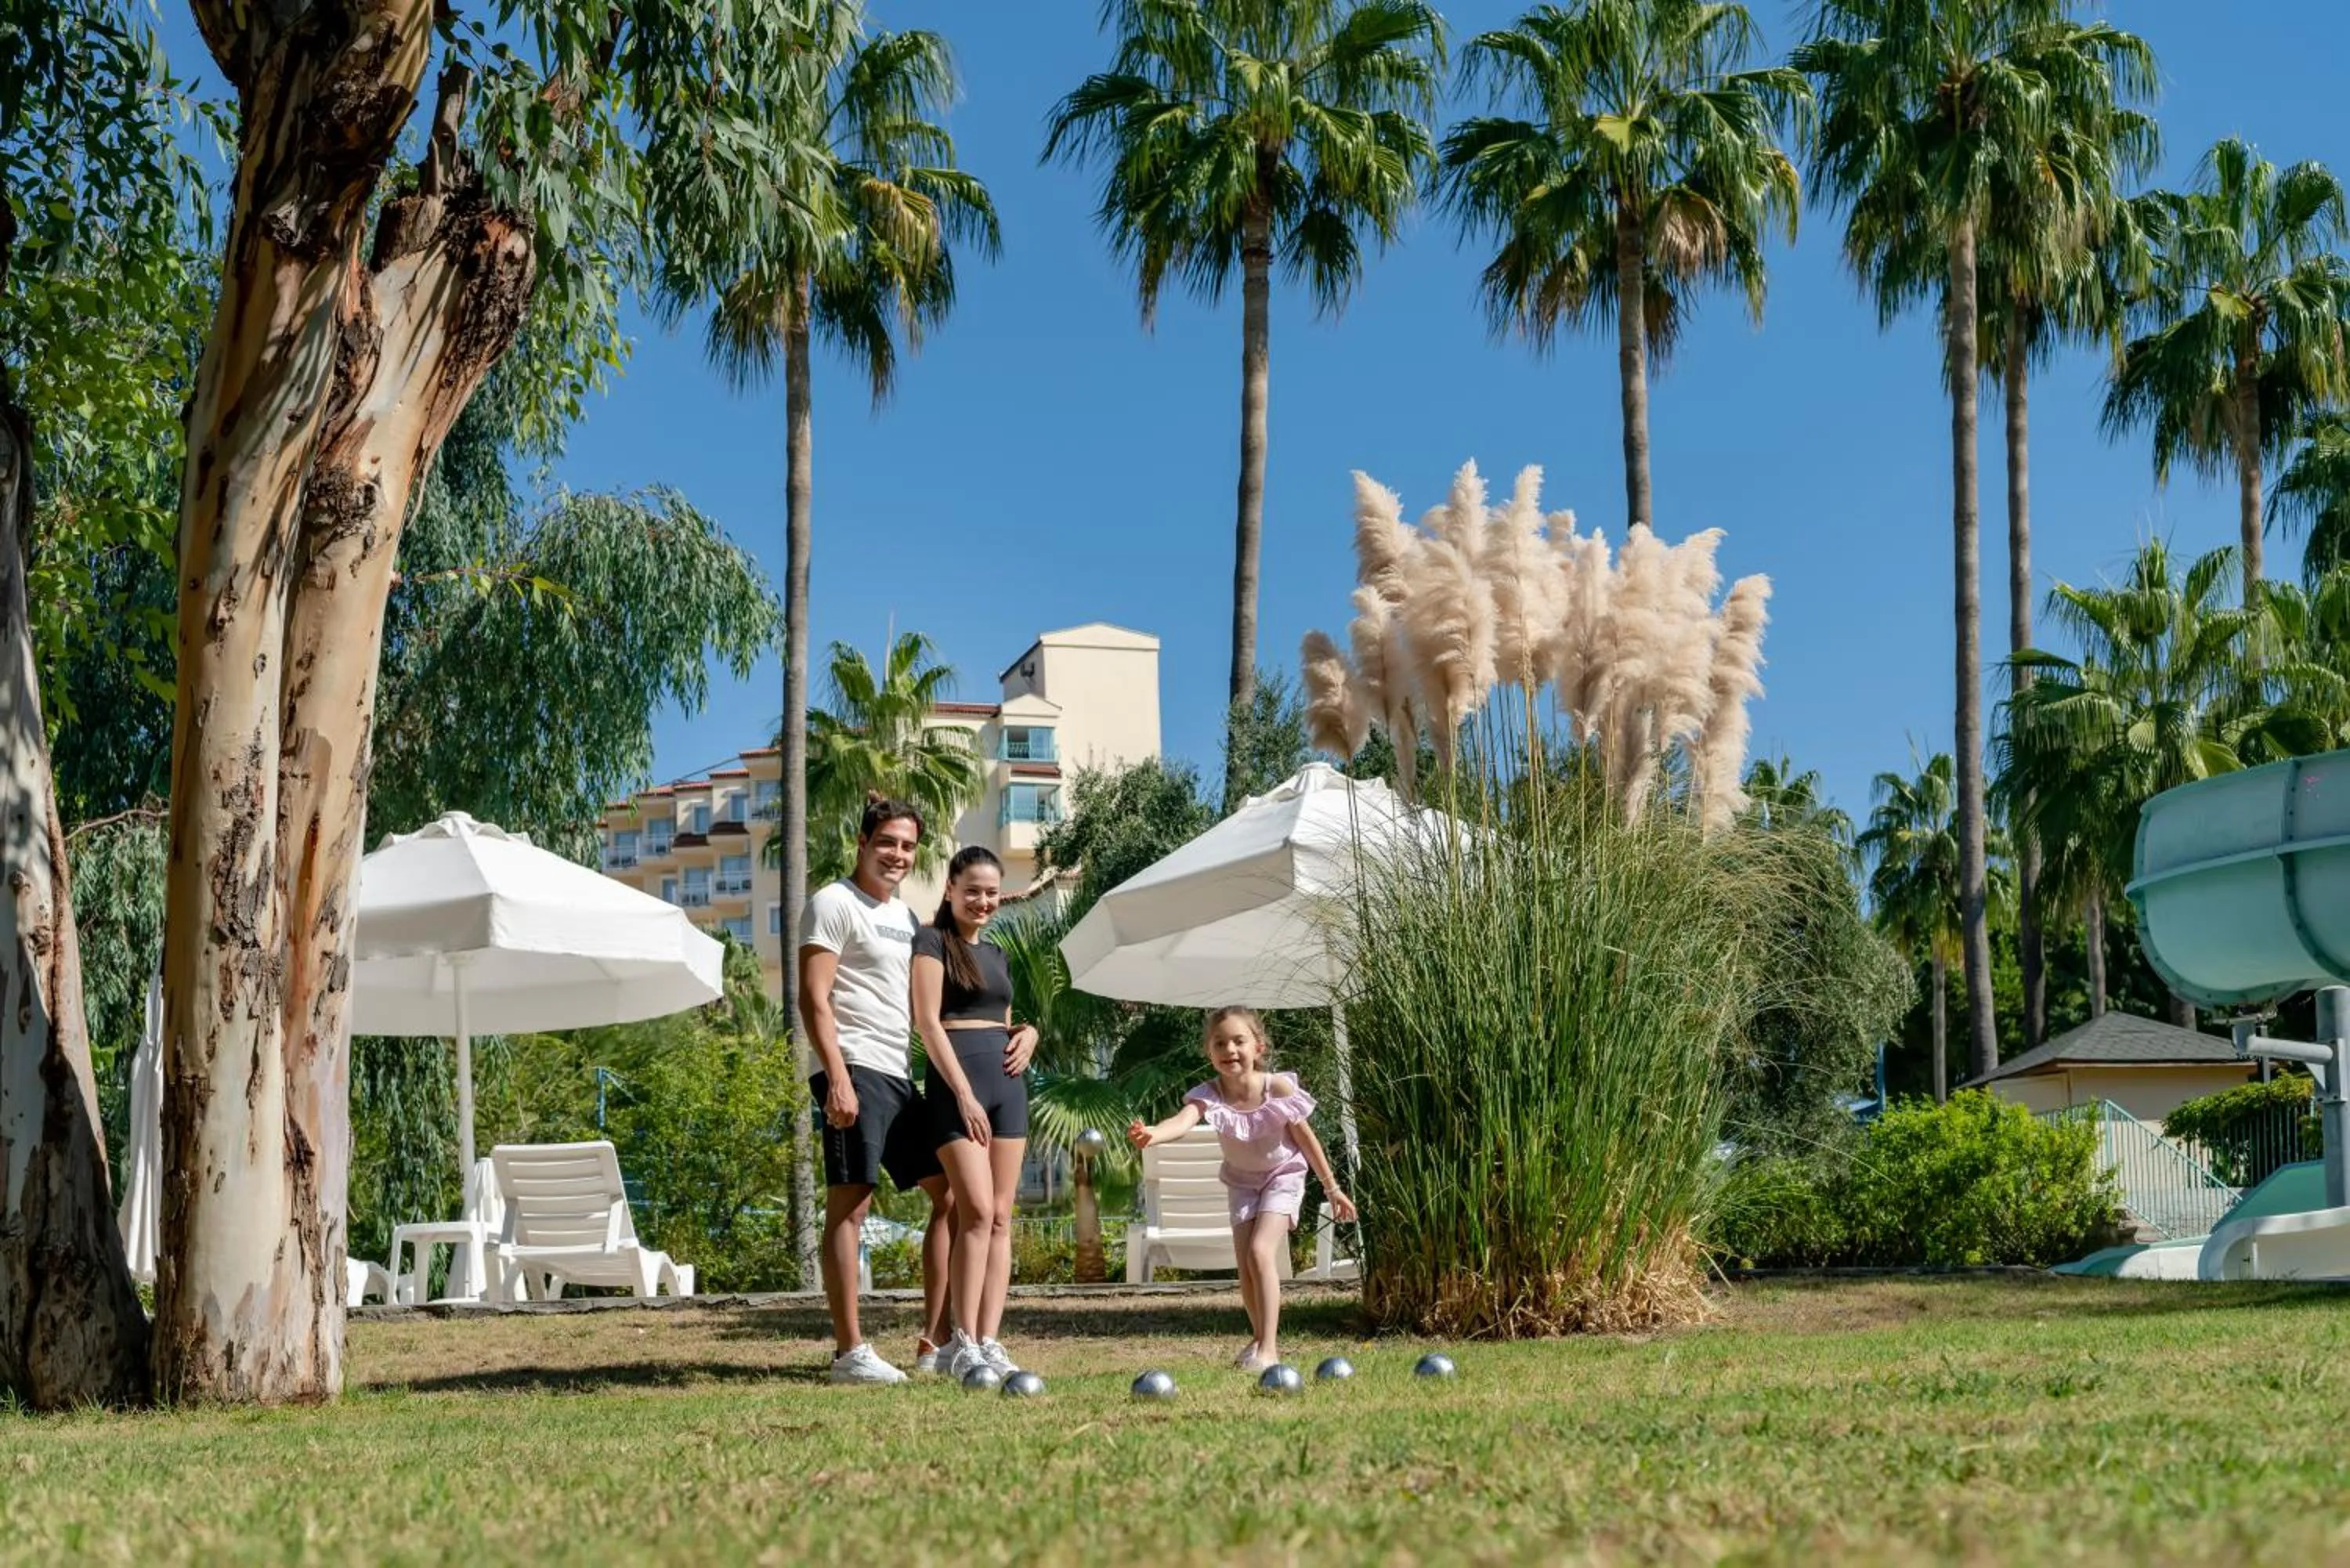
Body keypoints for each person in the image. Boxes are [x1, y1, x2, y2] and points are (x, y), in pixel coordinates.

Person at [798, 797, 957, 1385]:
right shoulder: (833, 903)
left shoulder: (907, 919)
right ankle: (850, 1353)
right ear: (863, 842)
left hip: (897, 1075)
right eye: (887, 841)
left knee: (950, 1196)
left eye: (908, 846)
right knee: (853, 1204)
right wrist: (836, 1077)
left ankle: (934, 1341)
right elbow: (813, 998)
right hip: (853, 1067)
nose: (897, 854)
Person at [1128, 1006, 1354, 1373]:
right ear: (1209, 1052)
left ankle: (1270, 1348)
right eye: (1219, 1043)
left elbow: (1306, 1139)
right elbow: (1182, 1122)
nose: (1229, 1049)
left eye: (1239, 1041)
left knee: (1261, 1251)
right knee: (1246, 1266)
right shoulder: (1209, 1094)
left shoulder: (1276, 1087)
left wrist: (1333, 1188)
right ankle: (1258, 1337)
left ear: (1258, 1047)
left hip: (1283, 1175)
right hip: (1242, 1183)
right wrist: (1153, 1134)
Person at [911, 845, 1039, 1381]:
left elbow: (1002, 1022)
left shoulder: (998, 955)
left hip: (1008, 1089)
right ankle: (960, 1342)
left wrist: (1029, 1033)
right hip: (956, 1089)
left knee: (1002, 1217)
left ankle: (990, 1340)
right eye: (972, 891)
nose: (983, 901)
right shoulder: (930, 941)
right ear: (950, 889)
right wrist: (962, 1093)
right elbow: (927, 1022)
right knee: (977, 1212)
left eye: (991, 893)